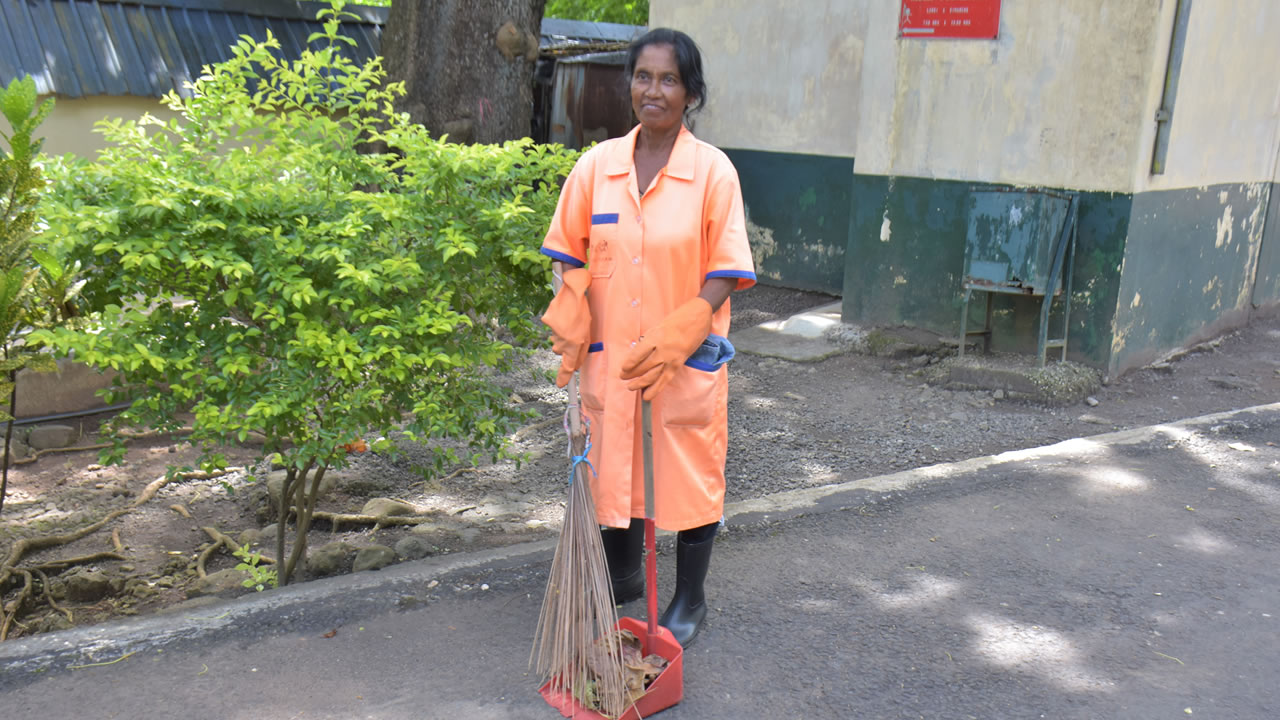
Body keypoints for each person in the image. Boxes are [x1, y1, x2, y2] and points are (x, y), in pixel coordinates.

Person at [539, 28, 755, 647]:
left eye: (668, 79)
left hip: (683, 360)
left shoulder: (713, 172)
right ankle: (622, 576)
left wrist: (694, 318)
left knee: (688, 471)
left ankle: (690, 600)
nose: (652, 90)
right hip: (612, 360)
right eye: (642, 76)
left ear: (690, 93)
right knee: (615, 466)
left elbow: (727, 265)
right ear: (629, 83)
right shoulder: (596, 166)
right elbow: (567, 250)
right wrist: (572, 299)